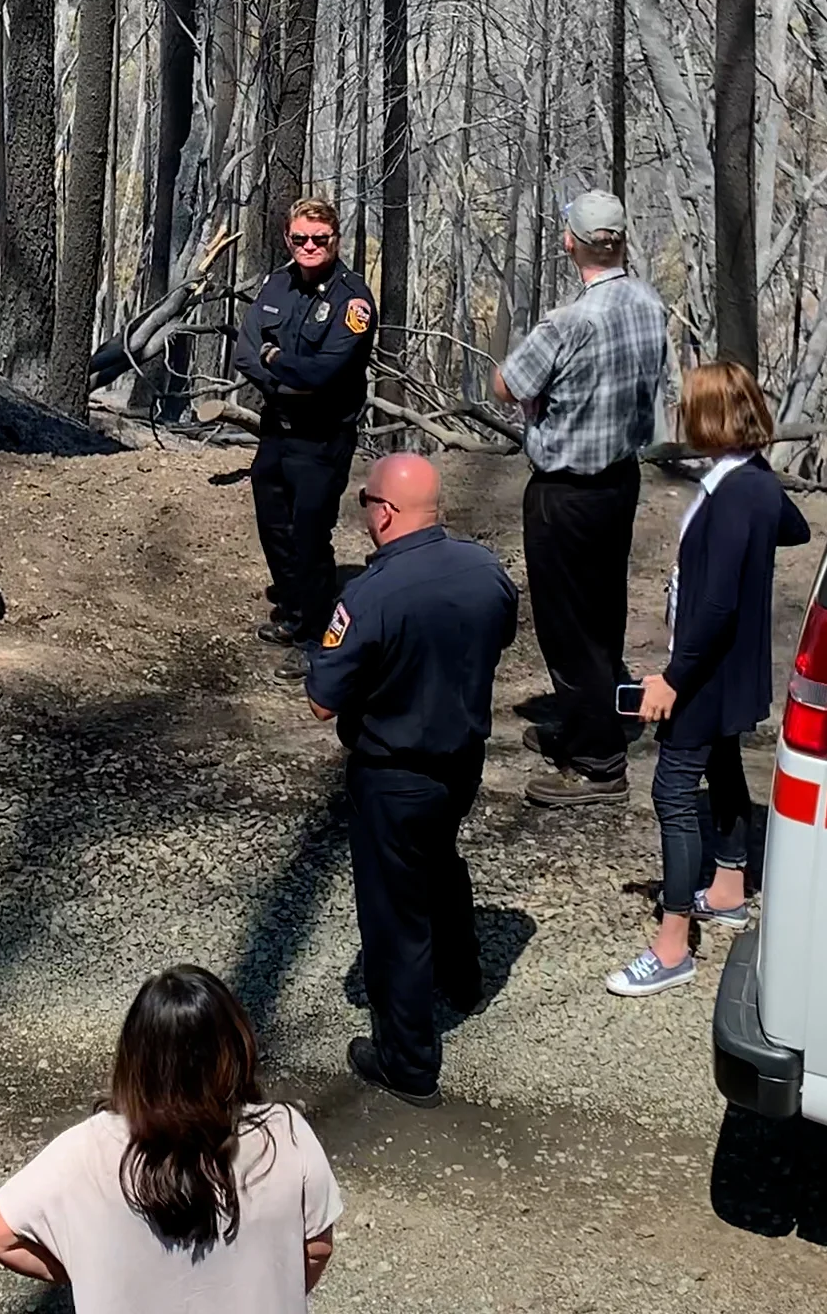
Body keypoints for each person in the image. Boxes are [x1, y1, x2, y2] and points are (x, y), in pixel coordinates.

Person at [304, 454, 513, 1106]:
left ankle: (408, 1063)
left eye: (367, 501)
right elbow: (499, 637)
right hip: (462, 761)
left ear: (384, 512)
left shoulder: (370, 596)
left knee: (396, 918)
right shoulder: (487, 571)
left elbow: (321, 700)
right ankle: (463, 974)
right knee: (441, 858)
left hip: (392, 775)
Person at [0, 965, 343, 1309]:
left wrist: (87, 1272)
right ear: (235, 1047)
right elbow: (317, 1249)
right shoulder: (286, 1133)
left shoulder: (83, 1149)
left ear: (134, 1058)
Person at [609, 362, 809, 998]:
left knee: (673, 790)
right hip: (738, 668)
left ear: (708, 419)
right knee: (723, 766)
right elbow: (796, 528)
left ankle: (672, 947)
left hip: (708, 668)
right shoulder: (751, 482)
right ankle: (726, 887)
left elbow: (717, 605)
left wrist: (673, 676)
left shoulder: (730, 496)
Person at [492, 191, 674, 807]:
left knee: (566, 626)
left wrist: (542, 401)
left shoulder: (569, 322)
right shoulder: (651, 304)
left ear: (570, 243)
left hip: (564, 490)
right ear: (619, 240)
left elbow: (507, 383)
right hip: (619, 482)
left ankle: (598, 761)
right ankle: (584, 725)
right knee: (601, 615)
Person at [236, 199, 377, 649]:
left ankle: (317, 639)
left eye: (320, 238)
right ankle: (296, 615)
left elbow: (324, 374)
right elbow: (244, 353)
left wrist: (274, 359)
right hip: (277, 431)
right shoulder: (277, 285)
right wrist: (285, 380)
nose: (310, 246)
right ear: (288, 239)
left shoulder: (353, 300)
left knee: (311, 537)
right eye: (301, 238)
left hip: (322, 439)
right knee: (273, 528)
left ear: (335, 240)